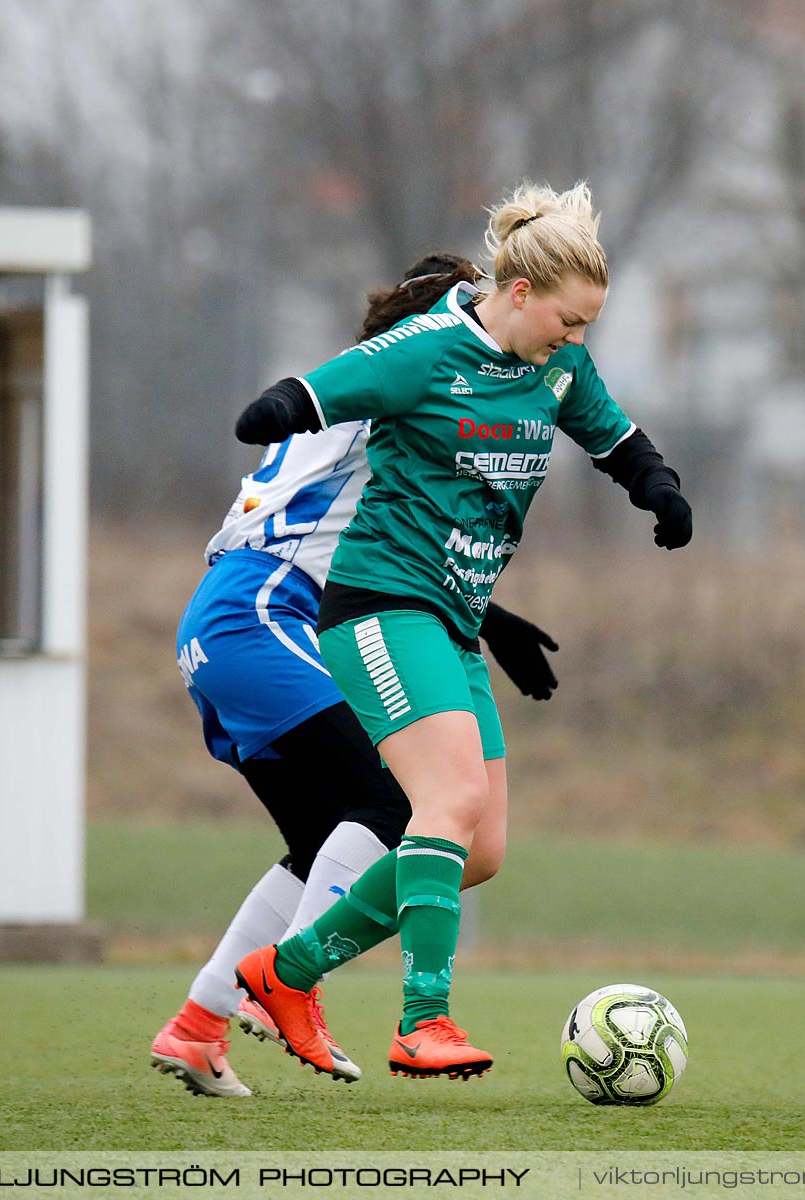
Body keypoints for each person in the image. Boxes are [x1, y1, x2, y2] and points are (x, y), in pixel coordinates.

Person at [230, 181, 692, 1082]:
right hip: (378, 606)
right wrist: (281, 408)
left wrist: (660, 489)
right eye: (569, 320)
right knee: (444, 805)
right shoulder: (426, 350)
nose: (578, 340)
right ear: (520, 294)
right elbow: (314, 393)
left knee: (478, 851)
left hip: (455, 621)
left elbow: (614, 436)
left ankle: (283, 974)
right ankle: (423, 1020)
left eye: (589, 326)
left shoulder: (555, 367)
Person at [148, 254, 565, 1098]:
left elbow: (390, 553)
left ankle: (197, 1026)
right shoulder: (410, 389)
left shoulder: (369, 391)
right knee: (402, 802)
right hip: (266, 611)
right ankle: (288, 984)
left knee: (326, 843)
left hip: (225, 623)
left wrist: (494, 619)